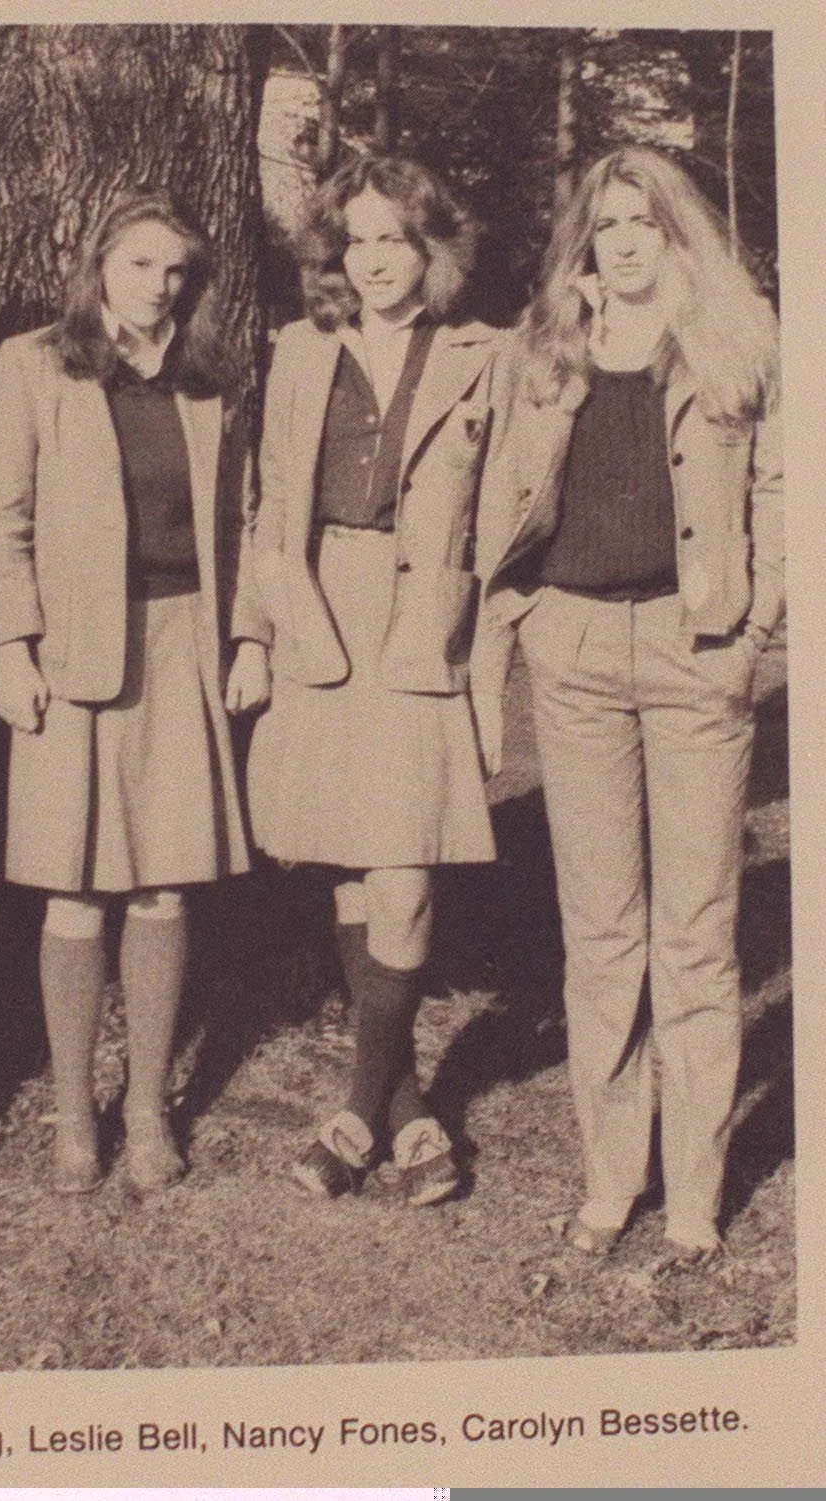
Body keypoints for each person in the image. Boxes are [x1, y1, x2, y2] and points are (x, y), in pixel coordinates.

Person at [472, 145, 782, 1258]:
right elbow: (505, 483)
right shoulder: (548, 352)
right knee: (602, 933)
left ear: (677, 230)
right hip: (577, 648)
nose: (628, 241)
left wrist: (755, 623)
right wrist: (527, 616)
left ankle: (694, 1193)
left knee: (695, 936)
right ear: (586, 243)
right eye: (608, 225)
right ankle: (613, 1177)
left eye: (645, 220)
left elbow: (785, 483)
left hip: (697, 649)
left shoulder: (739, 341)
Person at [0, 187, 270, 1194]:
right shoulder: (35, 364)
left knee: (161, 882)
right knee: (71, 886)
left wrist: (248, 635)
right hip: (72, 651)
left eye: (177, 270)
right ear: (100, 264)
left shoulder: (207, 381)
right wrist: (13, 647)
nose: (160, 285)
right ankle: (72, 1114)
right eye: (142, 264)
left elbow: (249, 518)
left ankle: (146, 1108)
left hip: (182, 639)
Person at [244, 153, 499, 1206]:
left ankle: (356, 1109)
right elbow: (265, 503)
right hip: (319, 615)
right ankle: (408, 1112)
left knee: (403, 870)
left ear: (431, 246)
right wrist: (255, 633)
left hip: (420, 622)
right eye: (357, 240)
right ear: (334, 253)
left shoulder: (487, 355)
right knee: (353, 861)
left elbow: (509, 511)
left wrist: (488, 655)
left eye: (396, 238)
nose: (377, 259)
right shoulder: (299, 352)